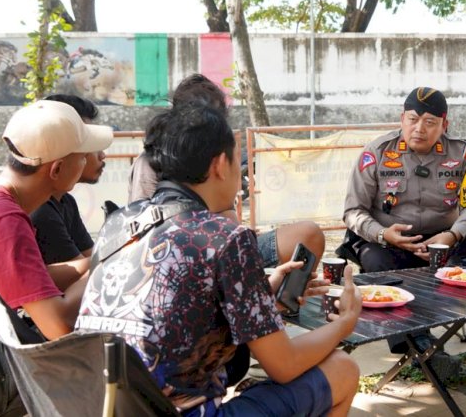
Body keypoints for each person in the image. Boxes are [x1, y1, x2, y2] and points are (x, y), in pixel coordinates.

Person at [77, 103, 362, 417]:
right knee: (343, 369)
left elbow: (175, 314)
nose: (241, 175)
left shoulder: (118, 224)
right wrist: (344, 324)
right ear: (219, 164)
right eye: (238, 159)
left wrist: (262, 295)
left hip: (102, 407)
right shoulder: (225, 236)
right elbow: (285, 365)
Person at [0, 100, 113, 416]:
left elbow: (28, 280)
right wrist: (108, 266)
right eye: (82, 157)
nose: (87, 162)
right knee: (101, 371)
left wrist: (93, 262)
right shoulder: (5, 220)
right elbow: (58, 327)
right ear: (56, 169)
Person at [342, 86, 466, 354]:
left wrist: (452, 235)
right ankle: (413, 340)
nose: (419, 129)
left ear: (445, 124)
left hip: (442, 244)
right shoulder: (377, 152)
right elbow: (353, 211)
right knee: (375, 260)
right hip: (388, 244)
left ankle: (441, 312)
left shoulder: (462, 154)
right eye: (412, 119)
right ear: (402, 119)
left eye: (430, 122)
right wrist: (383, 234)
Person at [128, 73, 325, 268]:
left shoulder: (217, 157)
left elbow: (231, 223)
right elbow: (142, 235)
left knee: (308, 234)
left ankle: (282, 291)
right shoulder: (152, 160)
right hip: (176, 256)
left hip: (224, 245)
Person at [31, 95, 107, 269]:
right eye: (88, 144)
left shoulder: (65, 201)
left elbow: (90, 257)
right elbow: (85, 271)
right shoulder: (40, 211)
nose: (102, 155)